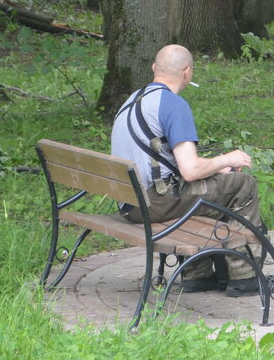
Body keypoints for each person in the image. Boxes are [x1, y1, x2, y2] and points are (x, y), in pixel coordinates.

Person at [110, 44, 264, 297]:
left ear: (154, 69)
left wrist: (217, 167)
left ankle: (198, 274)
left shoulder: (134, 99)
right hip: (153, 203)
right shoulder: (173, 105)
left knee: (215, 188)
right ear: (187, 72)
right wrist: (230, 157)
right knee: (242, 185)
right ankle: (244, 276)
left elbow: (165, 158)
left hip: (130, 202)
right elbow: (190, 171)